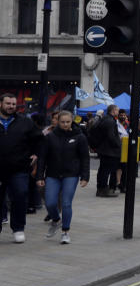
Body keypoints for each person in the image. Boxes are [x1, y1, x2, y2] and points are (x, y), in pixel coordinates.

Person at [36, 111, 89, 244]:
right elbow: (42, 158)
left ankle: (65, 231)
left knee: (66, 203)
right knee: (50, 203)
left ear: (72, 121)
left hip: (71, 175)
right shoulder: (50, 137)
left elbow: (85, 158)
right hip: (52, 175)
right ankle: (56, 220)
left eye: (68, 122)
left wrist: (85, 176)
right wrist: (40, 176)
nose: (65, 124)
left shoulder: (80, 137)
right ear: (57, 122)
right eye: (62, 122)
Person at [0, 94, 43, 242]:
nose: (11, 106)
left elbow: (39, 140)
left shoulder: (25, 122)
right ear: (1, 104)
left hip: (19, 168)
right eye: (8, 103)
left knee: (20, 195)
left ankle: (18, 228)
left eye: (13, 104)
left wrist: (36, 154)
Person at [92, 104, 123, 198]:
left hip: (105, 149)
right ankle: (103, 189)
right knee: (106, 171)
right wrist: (118, 144)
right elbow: (111, 136)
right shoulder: (110, 121)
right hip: (109, 151)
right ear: (113, 111)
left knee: (103, 170)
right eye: (117, 110)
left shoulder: (105, 119)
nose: (118, 112)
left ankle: (101, 188)